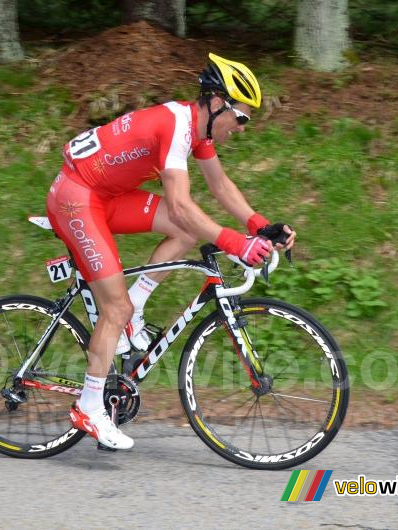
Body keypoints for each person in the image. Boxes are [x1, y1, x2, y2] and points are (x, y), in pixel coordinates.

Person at [45, 53, 296, 449]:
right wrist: (234, 243)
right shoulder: (176, 127)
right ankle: (89, 408)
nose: (243, 128)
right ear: (217, 104)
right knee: (115, 309)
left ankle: (135, 306)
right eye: (242, 117)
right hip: (76, 197)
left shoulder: (199, 130)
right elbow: (179, 203)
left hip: (106, 194)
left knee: (181, 234)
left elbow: (219, 185)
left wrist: (258, 225)